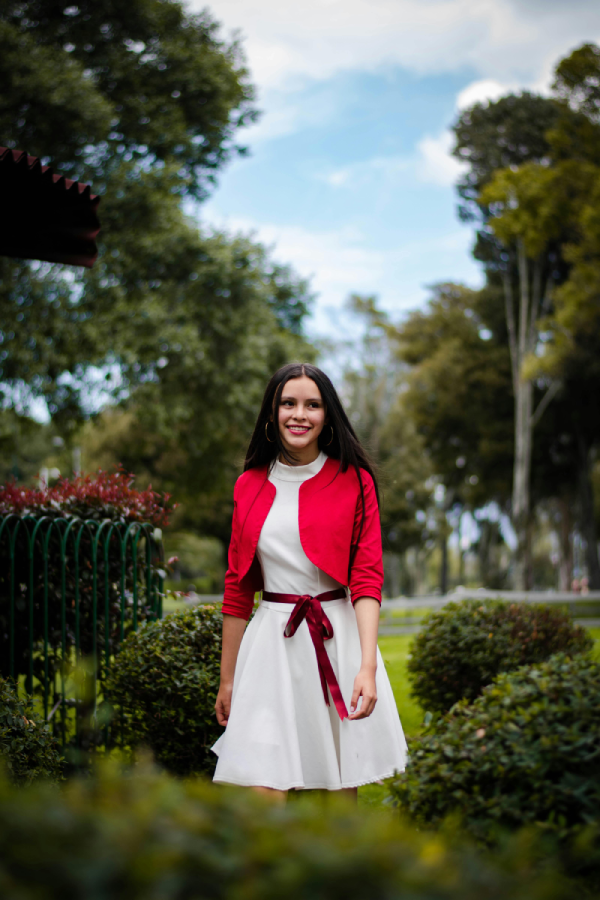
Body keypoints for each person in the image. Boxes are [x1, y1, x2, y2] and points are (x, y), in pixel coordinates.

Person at [212, 362, 407, 799]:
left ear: (326, 415)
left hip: (336, 642)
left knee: (336, 790)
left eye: (312, 405)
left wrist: (367, 666)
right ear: (272, 412)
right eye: (288, 403)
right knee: (262, 786)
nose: (299, 414)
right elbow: (238, 587)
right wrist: (228, 680)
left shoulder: (355, 481)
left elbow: (367, 578)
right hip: (269, 650)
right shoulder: (248, 484)